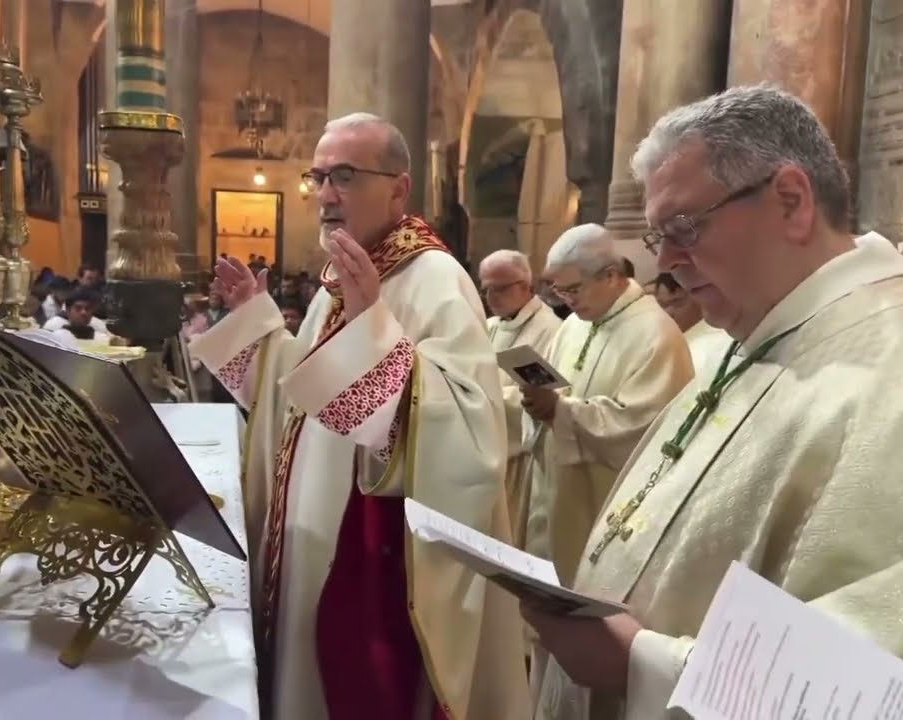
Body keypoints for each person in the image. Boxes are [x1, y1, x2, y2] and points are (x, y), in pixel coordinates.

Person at [527, 85, 903, 720]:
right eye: (659, 239)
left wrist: (643, 667)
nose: (670, 264)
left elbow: (894, 684)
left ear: (791, 201)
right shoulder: (764, 333)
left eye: (684, 227)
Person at [192, 112, 529, 720]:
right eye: (318, 176)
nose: (324, 195)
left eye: (344, 175)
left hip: (379, 552)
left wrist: (374, 331)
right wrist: (257, 327)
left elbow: (472, 435)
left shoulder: (437, 279)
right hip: (312, 527)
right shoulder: (339, 279)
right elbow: (304, 397)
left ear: (399, 187)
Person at [524, 225, 692, 583]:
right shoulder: (574, 326)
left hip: (605, 505)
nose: (565, 299)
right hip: (558, 491)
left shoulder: (655, 334)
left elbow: (644, 426)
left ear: (611, 276)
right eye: (558, 290)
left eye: (572, 289)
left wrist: (560, 411)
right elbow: (553, 388)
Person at [478, 249, 561, 548]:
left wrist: (482, 400)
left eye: (499, 288)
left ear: (527, 286)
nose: (491, 297)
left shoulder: (550, 330)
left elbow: (544, 394)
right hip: (485, 449)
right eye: (485, 288)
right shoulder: (487, 327)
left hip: (518, 459)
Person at [649, 271, 727, 369]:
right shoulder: (668, 347)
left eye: (677, 302)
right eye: (663, 305)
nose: (669, 312)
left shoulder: (721, 338)